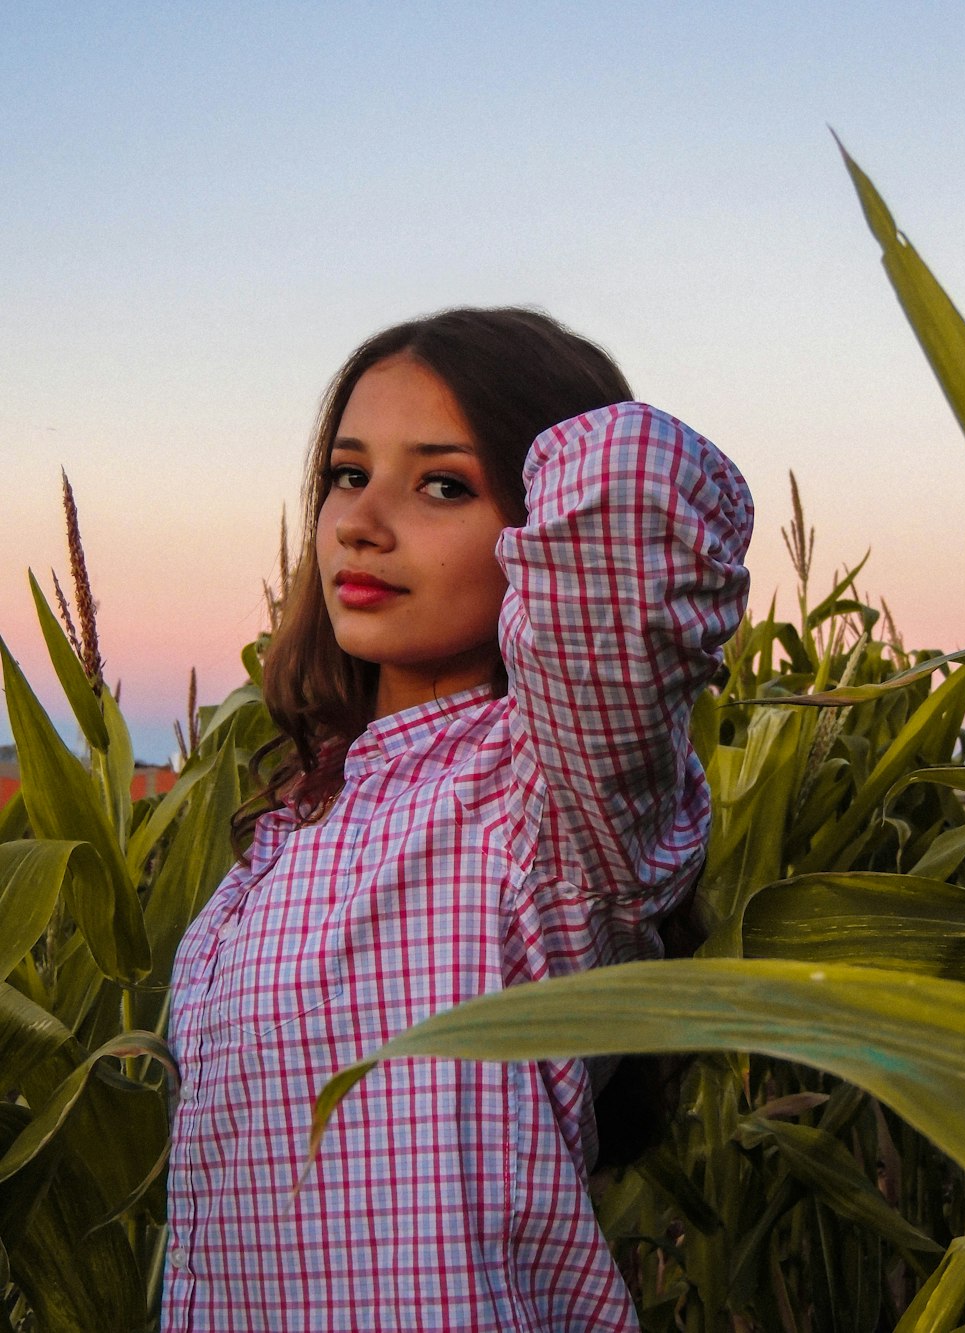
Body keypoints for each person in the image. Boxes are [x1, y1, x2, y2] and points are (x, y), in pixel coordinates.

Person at [162, 307, 753, 1332]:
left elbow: (633, 486)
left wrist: (545, 415)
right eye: (348, 474)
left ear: (534, 533)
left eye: (443, 484)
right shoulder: (298, 818)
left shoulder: (540, 797)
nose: (362, 520)